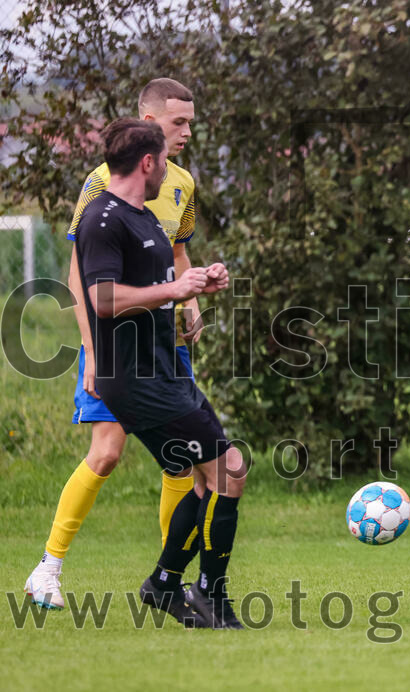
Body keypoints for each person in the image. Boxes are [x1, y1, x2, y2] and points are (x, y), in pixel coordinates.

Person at [25, 78, 200, 610]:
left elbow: (179, 253)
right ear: (148, 122)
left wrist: (190, 302)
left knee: (181, 462)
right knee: (106, 454)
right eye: (178, 122)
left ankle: (168, 580)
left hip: (163, 346)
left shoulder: (182, 184)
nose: (187, 132)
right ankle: (47, 570)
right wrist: (91, 354)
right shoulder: (102, 184)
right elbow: (81, 277)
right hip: (114, 347)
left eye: (190, 122)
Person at [74, 118, 245, 628]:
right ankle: (208, 592)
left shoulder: (145, 218)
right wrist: (172, 292)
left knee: (206, 481)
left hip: (166, 372)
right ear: (148, 162)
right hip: (137, 382)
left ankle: (166, 584)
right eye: (164, 162)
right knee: (229, 472)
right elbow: (102, 298)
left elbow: (161, 286)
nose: (168, 171)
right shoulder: (102, 220)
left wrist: (196, 284)